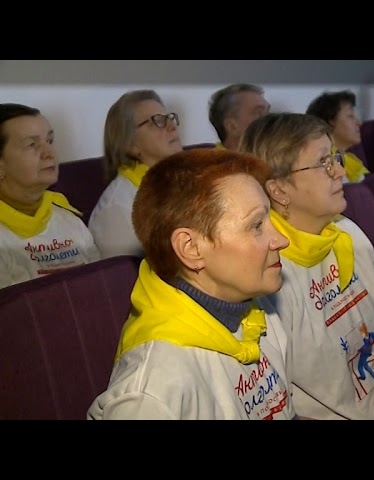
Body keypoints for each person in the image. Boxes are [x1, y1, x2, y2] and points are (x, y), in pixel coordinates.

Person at [239, 112, 374, 420]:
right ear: (279, 190)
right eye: (322, 163)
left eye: (335, 158)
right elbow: (277, 408)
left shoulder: (348, 234)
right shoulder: (266, 277)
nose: (340, 171)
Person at [87, 148, 296, 420]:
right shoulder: (150, 396)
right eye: (256, 225)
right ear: (191, 249)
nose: (281, 240)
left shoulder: (257, 310)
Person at [0, 103, 100, 289]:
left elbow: (101, 285)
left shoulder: (69, 219)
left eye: (50, 141)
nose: (49, 153)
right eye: (32, 144)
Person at [88, 90, 183, 259]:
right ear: (130, 144)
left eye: (169, 118)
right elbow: (121, 273)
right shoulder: (118, 208)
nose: (172, 126)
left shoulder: (184, 180)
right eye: (157, 121)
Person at [306, 90, 369, 183]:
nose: (359, 123)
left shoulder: (351, 161)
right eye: (350, 116)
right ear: (330, 120)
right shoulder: (321, 166)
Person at [208, 83, 270, 151]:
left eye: (268, 111)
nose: (271, 119)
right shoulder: (210, 158)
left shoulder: (270, 155)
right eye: (259, 113)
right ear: (232, 126)